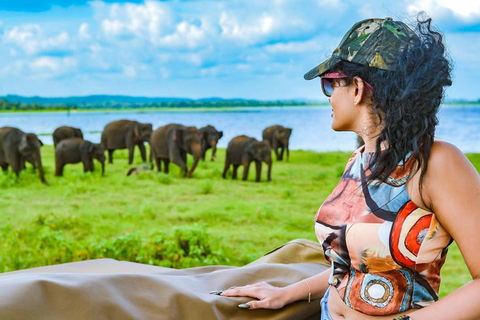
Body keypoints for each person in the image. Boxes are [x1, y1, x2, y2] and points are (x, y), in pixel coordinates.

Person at [217, 15, 480, 320]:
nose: (328, 96)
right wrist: (287, 292)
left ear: (356, 88)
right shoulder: (358, 161)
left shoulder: (437, 163)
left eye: (330, 83)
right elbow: (351, 270)